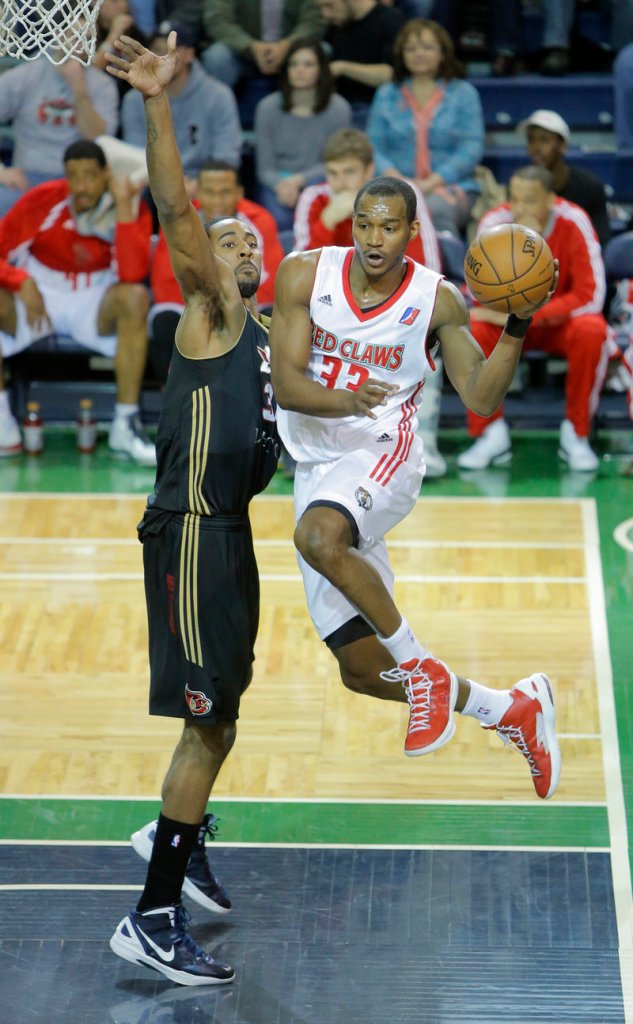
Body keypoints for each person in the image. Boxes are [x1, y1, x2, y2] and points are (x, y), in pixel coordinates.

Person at [269, 173, 561, 802]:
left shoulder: (437, 300)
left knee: (318, 536)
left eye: (390, 226)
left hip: (385, 449)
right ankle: (509, 709)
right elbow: (289, 389)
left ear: (411, 231)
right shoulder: (303, 275)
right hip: (319, 464)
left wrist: (517, 324)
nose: (375, 238)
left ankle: (421, 665)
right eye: (365, 224)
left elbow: (481, 398)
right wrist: (346, 395)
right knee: (361, 669)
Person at [105, 31, 279, 985]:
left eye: (251, 234)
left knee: (225, 711)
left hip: (231, 538)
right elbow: (175, 204)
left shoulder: (259, 335)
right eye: (225, 239)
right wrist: (159, 101)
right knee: (204, 721)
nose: (239, 242)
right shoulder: (210, 311)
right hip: (193, 533)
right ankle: (152, 913)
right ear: (200, 265)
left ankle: (180, 837)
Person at [293, 126, 447, 477]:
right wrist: (330, 220)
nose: (340, 183)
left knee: (428, 335)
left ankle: (422, 441)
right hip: (330, 311)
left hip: (392, 310)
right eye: (333, 173)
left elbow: (430, 269)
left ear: (368, 170)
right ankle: (305, 438)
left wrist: (392, 312)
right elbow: (297, 274)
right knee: (295, 331)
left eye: (349, 173)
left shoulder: (403, 197)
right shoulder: (315, 200)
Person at [0, 140, 155, 464]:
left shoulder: (127, 204)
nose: (81, 186)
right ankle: (3, 424)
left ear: (106, 175)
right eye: (74, 176)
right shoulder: (43, 200)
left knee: (135, 298)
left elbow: (132, 274)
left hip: (94, 298)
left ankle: (125, 425)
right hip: (40, 294)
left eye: (90, 176)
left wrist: (124, 208)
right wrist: (20, 280)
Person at [457, 165, 610, 473]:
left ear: (551, 200)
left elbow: (590, 295)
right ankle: (489, 432)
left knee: (593, 330)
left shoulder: (574, 220)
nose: (519, 208)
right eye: (514, 198)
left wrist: (532, 314)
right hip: (509, 324)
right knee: (475, 326)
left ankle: (577, 434)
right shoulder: (495, 223)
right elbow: (477, 290)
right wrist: (512, 316)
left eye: (529, 200)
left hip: (555, 323)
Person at [149, 158, 285, 381]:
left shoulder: (260, 221)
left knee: (275, 317)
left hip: (246, 306)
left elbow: (271, 282)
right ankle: (175, 397)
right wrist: (207, 304)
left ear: (239, 193)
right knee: (164, 320)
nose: (217, 200)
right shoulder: (180, 228)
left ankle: (268, 396)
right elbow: (164, 284)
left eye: (225, 192)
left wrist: (233, 306)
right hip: (192, 305)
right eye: (210, 192)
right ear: (197, 192)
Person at [366, 18, 484, 238]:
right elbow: (374, 148)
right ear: (401, 54)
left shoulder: (463, 93)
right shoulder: (386, 94)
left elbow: (471, 148)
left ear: (443, 53)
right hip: (395, 185)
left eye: (427, 48)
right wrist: (399, 181)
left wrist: (430, 183)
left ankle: (449, 271)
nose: (419, 54)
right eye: (411, 48)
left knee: (433, 211)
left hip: (450, 185)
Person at [121, 20, 243, 193]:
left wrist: (199, 184)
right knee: (127, 187)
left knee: (218, 191)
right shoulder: (134, 99)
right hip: (153, 182)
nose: (162, 57)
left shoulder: (219, 95)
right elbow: (135, 154)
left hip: (202, 183)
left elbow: (227, 156)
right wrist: (169, 185)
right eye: (157, 50)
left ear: (189, 54)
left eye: (172, 50)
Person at [0, 49, 119, 217]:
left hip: (79, 180)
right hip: (26, 178)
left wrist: (79, 90)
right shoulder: (26, 75)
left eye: (86, 37)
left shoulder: (102, 84)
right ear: (58, 36)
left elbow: (98, 139)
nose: (77, 45)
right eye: (72, 35)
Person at [253, 38, 351, 230]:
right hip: (277, 183)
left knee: (318, 213)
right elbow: (264, 169)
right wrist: (283, 185)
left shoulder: (339, 109)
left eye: (308, 64)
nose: (300, 70)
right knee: (276, 219)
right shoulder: (267, 108)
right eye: (294, 64)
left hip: (320, 180)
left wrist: (300, 180)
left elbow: (338, 163)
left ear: (320, 70)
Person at [518, 109, 610, 247]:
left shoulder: (590, 186)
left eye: (544, 140)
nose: (536, 147)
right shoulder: (520, 188)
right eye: (531, 140)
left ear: (562, 146)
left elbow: (598, 240)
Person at [316, 0, 405, 129]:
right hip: (336, 104)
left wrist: (342, 68)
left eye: (329, 5)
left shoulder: (390, 20)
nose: (326, 14)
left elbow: (391, 75)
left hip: (375, 107)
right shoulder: (337, 24)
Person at [201, 0, 325, 88]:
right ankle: (219, 115)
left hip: (291, 52)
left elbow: (313, 21)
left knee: (323, 50)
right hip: (243, 53)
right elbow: (217, 20)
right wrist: (251, 46)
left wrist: (288, 45)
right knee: (217, 57)